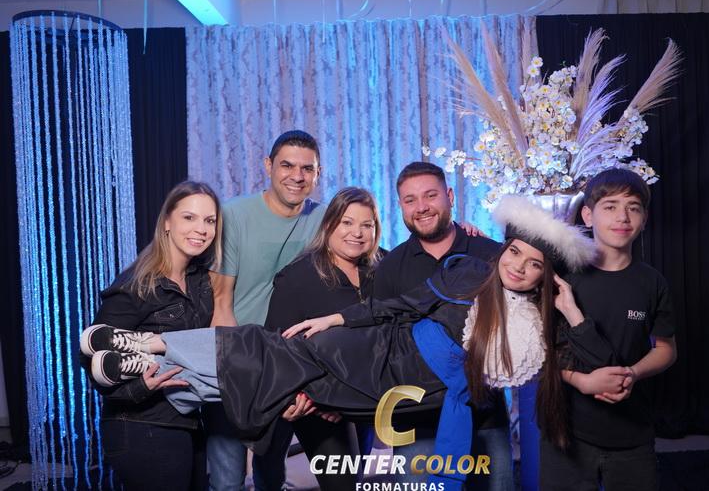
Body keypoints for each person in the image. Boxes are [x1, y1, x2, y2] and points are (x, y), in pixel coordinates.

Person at [81, 194, 597, 489]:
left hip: (407, 398)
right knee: (266, 353)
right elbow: (403, 305)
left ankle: (148, 357)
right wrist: (335, 320)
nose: (518, 266)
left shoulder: (539, 325)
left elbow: (588, 362)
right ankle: (149, 347)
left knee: (266, 378)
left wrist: (571, 309)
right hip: (379, 355)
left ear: (547, 276)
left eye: (534, 264)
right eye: (514, 254)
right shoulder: (470, 275)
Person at [372, 161, 510, 490]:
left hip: (485, 415)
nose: (421, 207)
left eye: (430, 195)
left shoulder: (492, 255)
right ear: (401, 206)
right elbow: (381, 342)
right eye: (410, 200)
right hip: (415, 420)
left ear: (450, 196)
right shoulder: (390, 267)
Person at [539, 168, 677, 491]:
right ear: (588, 215)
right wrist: (582, 381)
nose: (622, 217)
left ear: (644, 219)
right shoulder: (563, 277)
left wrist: (632, 373)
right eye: (610, 206)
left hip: (632, 432)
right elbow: (540, 353)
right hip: (567, 432)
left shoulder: (652, 282)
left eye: (633, 208)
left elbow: (666, 349)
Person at [79, 180, 222, 491]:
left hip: (188, 420)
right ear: (167, 222)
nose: (201, 229)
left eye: (209, 220)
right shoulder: (136, 285)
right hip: (142, 427)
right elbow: (90, 359)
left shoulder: (200, 281)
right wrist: (142, 387)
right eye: (189, 217)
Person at [207, 129, 327, 491]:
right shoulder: (233, 215)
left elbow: (371, 256)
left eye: (307, 168)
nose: (297, 176)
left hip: (288, 365)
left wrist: (460, 234)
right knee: (227, 478)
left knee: (271, 471)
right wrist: (239, 374)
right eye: (287, 165)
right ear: (268, 165)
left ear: (318, 173)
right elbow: (221, 304)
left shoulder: (325, 219)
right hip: (236, 358)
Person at [264, 187, 384, 490]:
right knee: (341, 485)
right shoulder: (298, 277)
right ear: (329, 224)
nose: (357, 233)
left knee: (355, 479)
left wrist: (464, 232)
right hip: (320, 406)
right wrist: (316, 400)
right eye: (347, 222)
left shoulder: (383, 268)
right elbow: (277, 348)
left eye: (366, 225)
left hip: (366, 400)